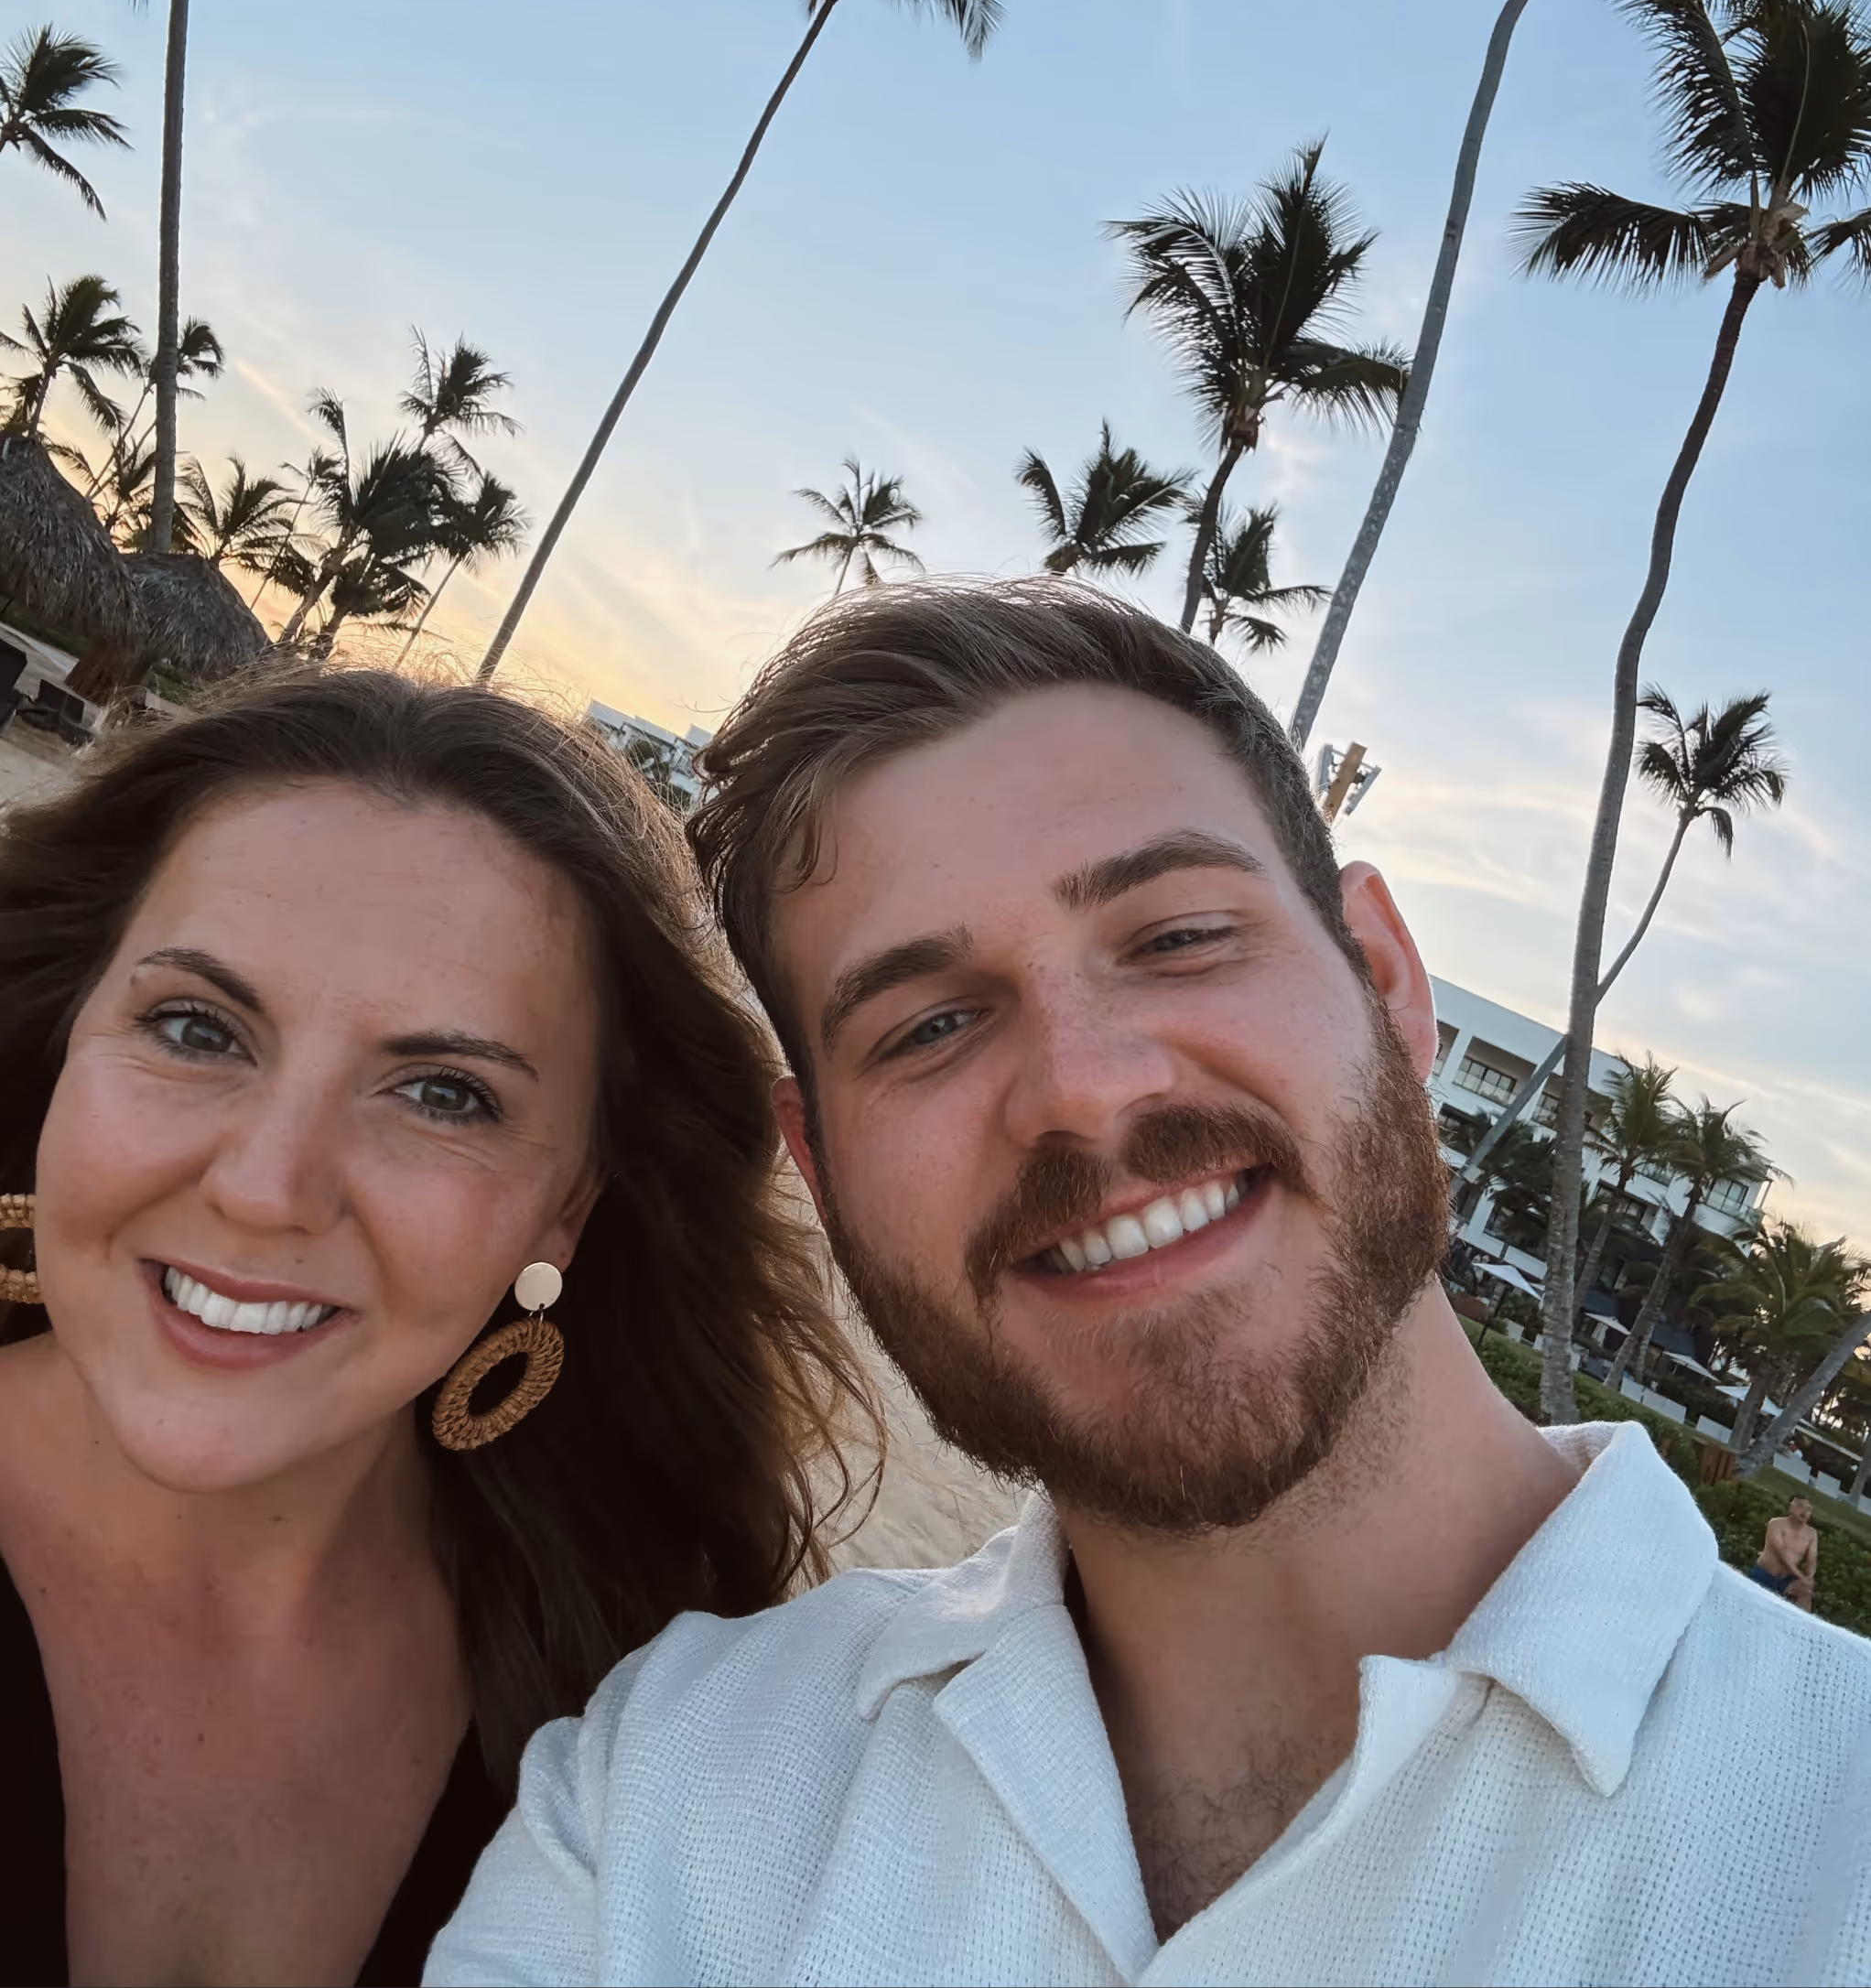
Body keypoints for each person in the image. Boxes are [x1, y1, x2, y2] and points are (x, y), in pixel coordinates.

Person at [431, 582, 1871, 1988]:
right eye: (928, 1025)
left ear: (1386, 981)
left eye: (1177, 937)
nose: (1083, 1087)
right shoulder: (666, 1787)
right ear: (819, 1162)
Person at [0, 667, 870, 1988]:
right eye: (194, 1027)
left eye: (443, 1094)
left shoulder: (630, 1681)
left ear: (568, 1209)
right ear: (68, 1036)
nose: (266, 1187)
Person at [1751, 1493, 1820, 1608]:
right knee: (1757, 1605)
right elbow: (1782, 1555)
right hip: (1765, 1573)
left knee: (1805, 1590)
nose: (1804, 1512)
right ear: (1791, 1507)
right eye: (1800, 1506)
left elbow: (1812, 1560)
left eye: (1808, 1509)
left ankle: (1799, 1619)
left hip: (1786, 1579)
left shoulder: (1812, 1534)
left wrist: (1809, 1578)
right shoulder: (1776, 1524)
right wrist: (1802, 1577)